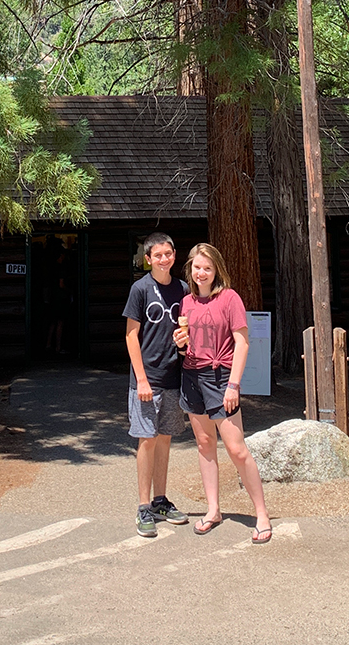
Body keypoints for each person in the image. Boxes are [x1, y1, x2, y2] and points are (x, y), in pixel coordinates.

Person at [173, 242, 272, 544]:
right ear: (190, 270)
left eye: (207, 268)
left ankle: (262, 515)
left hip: (221, 377)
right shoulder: (187, 302)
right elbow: (186, 344)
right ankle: (213, 509)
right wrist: (179, 343)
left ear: (217, 271)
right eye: (196, 267)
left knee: (236, 448)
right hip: (191, 375)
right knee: (204, 444)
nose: (201, 273)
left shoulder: (229, 299)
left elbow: (242, 343)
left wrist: (233, 385)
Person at [123, 231, 190, 538]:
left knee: (165, 439)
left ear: (174, 255)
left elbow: (186, 330)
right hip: (147, 379)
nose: (164, 259)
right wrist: (140, 379)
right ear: (148, 259)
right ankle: (143, 506)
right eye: (158, 255)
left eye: (169, 254)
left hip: (173, 377)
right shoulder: (140, 289)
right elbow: (131, 335)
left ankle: (161, 500)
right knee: (146, 439)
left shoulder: (183, 289)